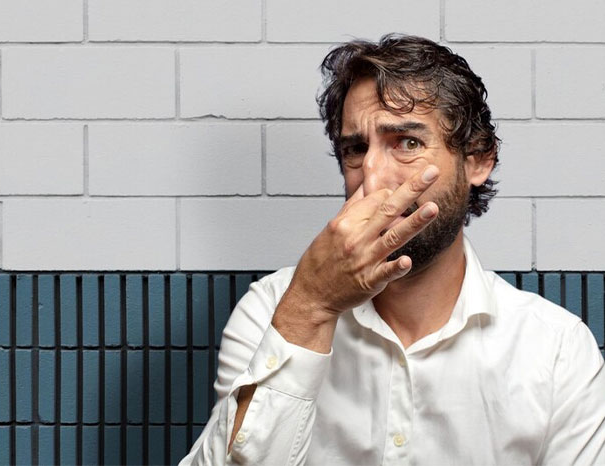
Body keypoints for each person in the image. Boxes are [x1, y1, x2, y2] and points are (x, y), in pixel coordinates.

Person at [180, 34, 605, 465]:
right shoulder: (274, 308)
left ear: (477, 160)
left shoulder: (556, 349)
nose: (372, 178)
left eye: (407, 143)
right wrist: (310, 306)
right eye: (355, 149)